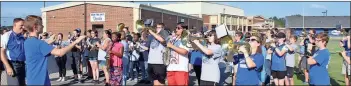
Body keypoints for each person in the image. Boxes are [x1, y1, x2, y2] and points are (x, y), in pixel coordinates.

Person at [23, 15, 86, 85]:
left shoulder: (27, 42)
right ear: (35, 27)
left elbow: (39, 48)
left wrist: (50, 41)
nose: (43, 26)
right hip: (40, 80)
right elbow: (60, 52)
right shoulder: (39, 43)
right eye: (41, 24)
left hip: (32, 79)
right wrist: (76, 42)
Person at [0, 18, 26, 86]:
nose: (23, 27)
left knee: (22, 84)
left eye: (24, 25)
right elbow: (1, 52)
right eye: (21, 25)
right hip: (12, 64)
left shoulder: (22, 36)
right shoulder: (7, 35)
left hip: (22, 64)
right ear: (15, 25)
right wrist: (8, 66)